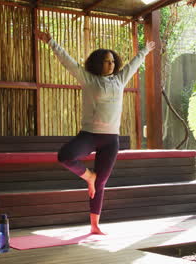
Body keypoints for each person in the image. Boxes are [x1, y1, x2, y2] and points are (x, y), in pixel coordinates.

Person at [35, 29, 156, 234]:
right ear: (98, 63)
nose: (111, 65)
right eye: (107, 61)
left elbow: (135, 63)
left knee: (101, 183)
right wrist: (51, 42)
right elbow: (68, 62)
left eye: (112, 61)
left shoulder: (120, 79)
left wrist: (146, 49)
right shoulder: (88, 79)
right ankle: (88, 177)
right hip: (90, 135)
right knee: (65, 156)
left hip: (111, 139)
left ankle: (94, 226)